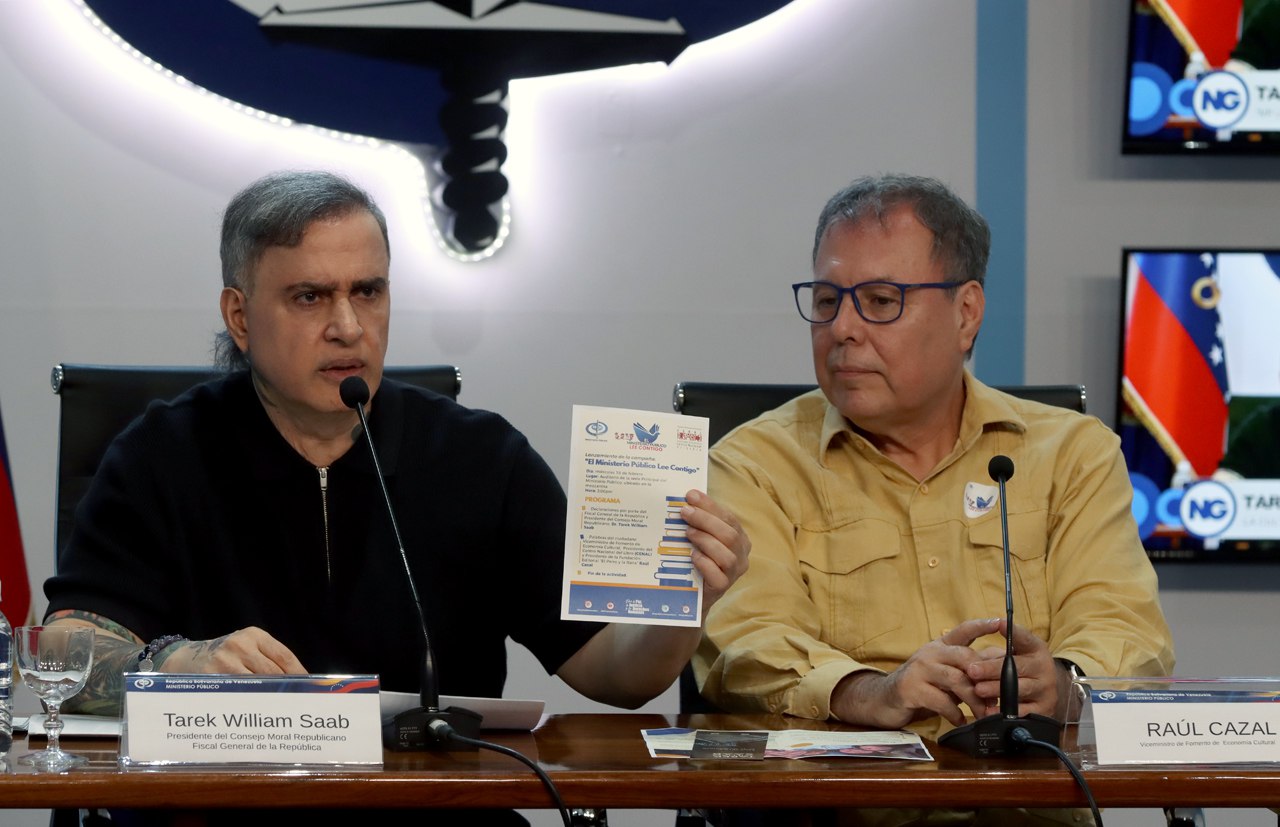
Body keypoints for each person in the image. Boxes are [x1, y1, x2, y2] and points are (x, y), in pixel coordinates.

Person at [42, 170, 749, 823]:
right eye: (310, 296)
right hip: (220, 814)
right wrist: (175, 665)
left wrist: (682, 603)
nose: (348, 326)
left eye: (368, 292)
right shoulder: (163, 452)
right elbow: (65, 647)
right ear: (241, 315)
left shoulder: (480, 456)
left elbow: (613, 672)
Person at [693, 174, 1174, 826]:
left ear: (966, 313)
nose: (843, 329)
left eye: (880, 301)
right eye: (828, 300)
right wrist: (870, 693)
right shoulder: (754, 463)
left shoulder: (1072, 453)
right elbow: (744, 645)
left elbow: (1127, 629)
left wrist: (1059, 683)